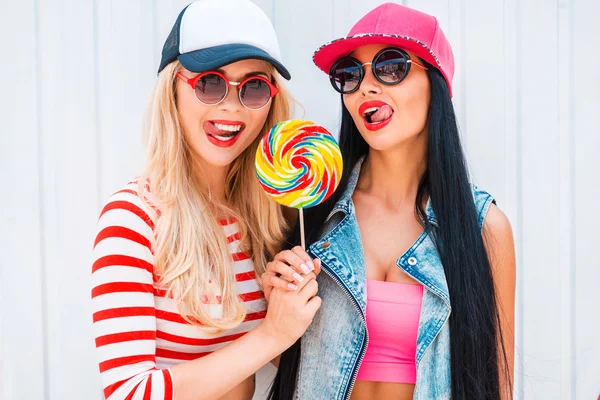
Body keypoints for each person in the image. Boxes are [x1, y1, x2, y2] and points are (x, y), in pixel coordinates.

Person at [265, 3, 516, 399]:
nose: (366, 87)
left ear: (436, 84)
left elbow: (496, 384)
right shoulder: (310, 210)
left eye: (391, 66)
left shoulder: (484, 228)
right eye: (350, 74)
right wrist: (279, 311)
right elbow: (295, 366)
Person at [90, 1, 320, 399]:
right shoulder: (132, 219)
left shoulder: (267, 217)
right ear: (172, 89)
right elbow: (128, 392)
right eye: (210, 83)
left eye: (254, 87)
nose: (231, 106)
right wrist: (272, 334)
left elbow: (282, 367)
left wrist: (287, 310)